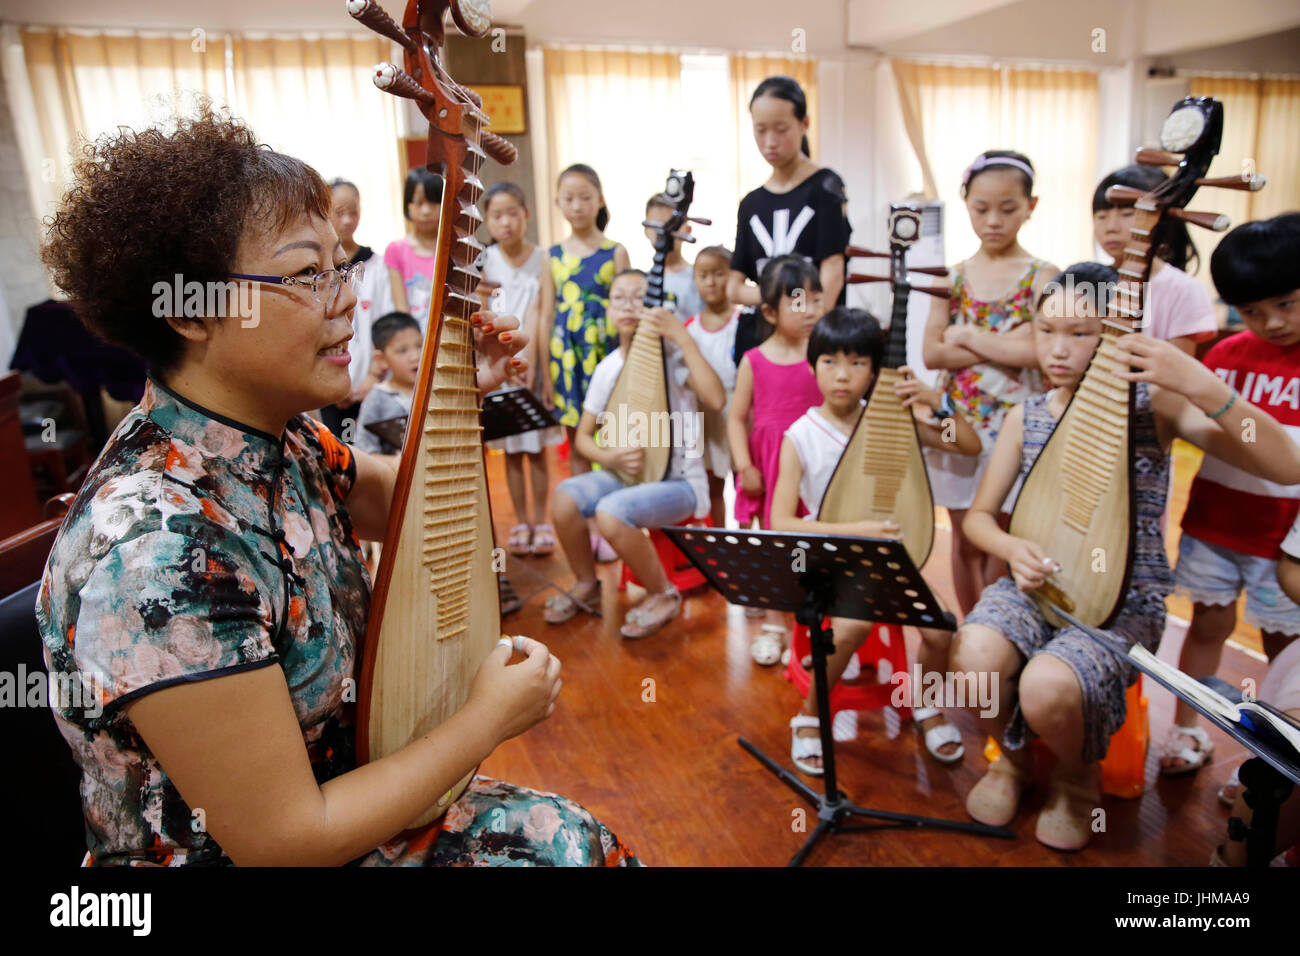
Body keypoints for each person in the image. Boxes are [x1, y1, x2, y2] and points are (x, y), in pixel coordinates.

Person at [36, 106, 640, 867]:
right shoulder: (155, 549)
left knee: (581, 842)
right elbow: (288, 840)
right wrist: (484, 720)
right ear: (191, 310)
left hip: (346, 791)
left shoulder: (279, 437)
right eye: (303, 274)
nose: (347, 295)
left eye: (341, 263)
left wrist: (459, 394)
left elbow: (402, 504)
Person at [951, 262, 1300, 852]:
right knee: (973, 655)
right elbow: (981, 521)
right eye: (1046, 331)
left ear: (1116, 333)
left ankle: (1075, 777)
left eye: (1081, 332)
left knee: (1047, 685)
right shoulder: (1026, 415)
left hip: (1122, 601)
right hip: (1031, 584)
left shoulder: (1154, 409)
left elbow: (1285, 464)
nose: (1058, 350)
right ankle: (1011, 763)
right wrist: (1012, 548)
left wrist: (1201, 383)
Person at [770, 308, 981, 774]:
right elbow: (782, 520)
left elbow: (968, 444)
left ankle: (924, 705)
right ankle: (808, 716)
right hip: (831, 562)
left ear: (875, 370)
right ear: (812, 366)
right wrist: (856, 531)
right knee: (850, 628)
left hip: (892, 561)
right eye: (829, 362)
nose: (842, 375)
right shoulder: (801, 436)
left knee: (941, 627)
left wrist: (935, 401)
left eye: (857, 363)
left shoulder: (892, 421)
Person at [1159, 214, 1300, 777]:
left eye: (1287, 304)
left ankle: (1266, 764)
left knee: (1282, 650)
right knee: (1207, 627)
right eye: (1253, 311)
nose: (1273, 322)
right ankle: (1186, 733)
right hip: (1215, 523)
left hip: (1284, 543)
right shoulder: (1224, 357)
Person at [543, 269, 724, 639]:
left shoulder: (673, 359)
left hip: (680, 484)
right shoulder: (608, 368)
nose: (629, 305)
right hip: (622, 475)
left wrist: (682, 337)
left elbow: (717, 399)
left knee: (612, 514)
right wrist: (609, 459)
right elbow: (584, 440)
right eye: (619, 297)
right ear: (609, 309)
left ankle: (663, 594)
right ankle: (587, 584)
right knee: (563, 500)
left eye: (639, 297)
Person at [922, 150, 1059, 615]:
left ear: (1031, 206)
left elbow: (1042, 349)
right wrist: (1010, 339)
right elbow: (932, 352)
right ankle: (970, 632)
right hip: (957, 425)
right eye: (981, 209)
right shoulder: (951, 277)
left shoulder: (1044, 276)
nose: (994, 220)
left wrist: (968, 334)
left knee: (1006, 536)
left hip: (1018, 428)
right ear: (966, 204)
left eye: (1008, 208)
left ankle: (999, 632)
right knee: (964, 538)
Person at [728, 255, 827, 665]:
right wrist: (743, 465)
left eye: (816, 300)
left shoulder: (822, 355)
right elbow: (736, 416)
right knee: (774, 547)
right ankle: (773, 624)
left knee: (812, 545)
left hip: (813, 464)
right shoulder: (753, 359)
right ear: (769, 311)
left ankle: (811, 627)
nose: (810, 311)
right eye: (798, 301)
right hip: (767, 464)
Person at [537, 164, 631, 563]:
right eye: (568, 198)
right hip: (567, 361)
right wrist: (544, 373)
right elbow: (544, 315)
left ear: (600, 200)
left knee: (611, 437)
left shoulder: (616, 252)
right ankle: (587, 523)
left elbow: (630, 306)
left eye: (585, 196)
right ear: (558, 203)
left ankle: (616, 519)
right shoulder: (552, 255)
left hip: (607, 357)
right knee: (577, 440)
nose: (576, 206)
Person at [728, 75, 851, 364]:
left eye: (781, 129)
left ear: (804, 124)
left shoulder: (826, 188)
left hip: (812, 345)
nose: (770, 142)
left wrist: (808, 321)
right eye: (760, 130)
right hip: (761, 344)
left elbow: (833, 268)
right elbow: (733, 287)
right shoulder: (751, 203)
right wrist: (781, 301)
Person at [477, 182, 560, 560]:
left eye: (513, 212)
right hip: (499, 367)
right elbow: (481, 314)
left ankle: (542, 521)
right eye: (496, 214)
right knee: (511, 450)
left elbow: (542, 316)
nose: (505, 221)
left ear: (526, 214)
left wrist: (537, 370)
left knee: (538, 449)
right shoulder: (484, 259)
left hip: (534, 364)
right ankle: (522, 522)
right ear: (487, 220)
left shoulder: (542, 256)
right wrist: (503, 364)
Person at [1091, 165, 1217, 355]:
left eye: (1127, 214)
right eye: (1101, 216)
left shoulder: (1184, 289)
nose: (1111, 227)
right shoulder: (1089, 282)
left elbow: (1177, 372)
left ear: (1160, 218)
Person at [321, 178, 394, 438]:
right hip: (329, 387)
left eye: (354, 211)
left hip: (374, 385)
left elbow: (388, 326)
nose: (348, 220)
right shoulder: (318, 271)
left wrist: (372, 378)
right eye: (340, 212)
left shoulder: (376, 266)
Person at [683, 245, 740, 529]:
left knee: (744, 481)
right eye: (702, 275)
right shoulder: (689, 328)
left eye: (719, 274)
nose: (710, 282)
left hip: (740, 411)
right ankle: (719, 537)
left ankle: (749, 540)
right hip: (704, 413)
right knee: (713, 482)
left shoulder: (743, 322)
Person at [354, 312, 421, 457]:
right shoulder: (376, 399)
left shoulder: (433, 389)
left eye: (419, 346)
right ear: (381, 359)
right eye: (402, 350)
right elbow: (364, 450)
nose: (416, 356)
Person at [384, 166, 443, 328]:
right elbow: (401, 309)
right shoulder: (396, 250)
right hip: (413, 342)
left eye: (433, 202)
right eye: (418, 203)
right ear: (407, 205)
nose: (425, 211)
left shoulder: (453, 250)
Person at [644, 192, 703, 321]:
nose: (663, 233)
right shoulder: (642, 281)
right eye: (655, 226)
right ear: (646, 230)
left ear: (687, 230)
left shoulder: (699, 279)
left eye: (672, 226)